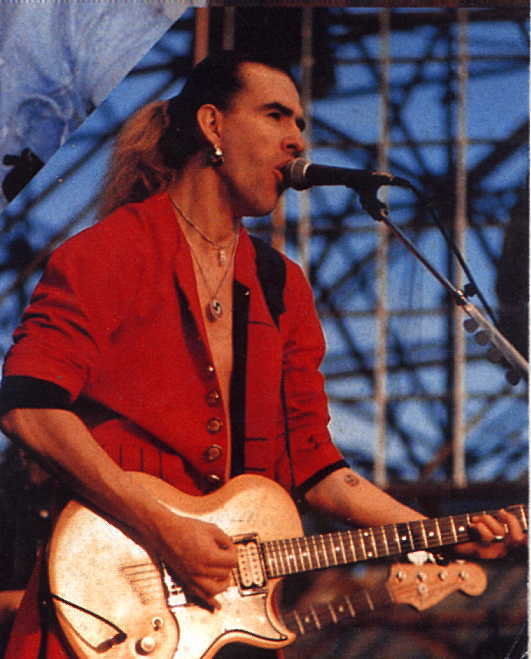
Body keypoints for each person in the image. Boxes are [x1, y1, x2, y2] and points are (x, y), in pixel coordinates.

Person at [0, 51, 525, 658]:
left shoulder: (281, 284)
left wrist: (436, 533)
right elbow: (29, 408)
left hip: (224, 623)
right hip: (103, 608)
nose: (297, 139)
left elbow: (318, 469)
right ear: (212, 125)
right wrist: (163, 526)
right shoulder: (109, 251)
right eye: (276, 115)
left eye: (301, 122)